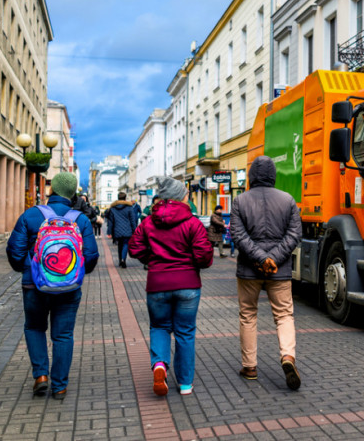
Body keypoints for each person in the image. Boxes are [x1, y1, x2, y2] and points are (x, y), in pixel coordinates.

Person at [6, 172, 98, 400]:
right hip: (68, 288)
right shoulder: (81, 219)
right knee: (63, 335)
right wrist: (72, 274)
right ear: (73, 193)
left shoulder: (31, 215)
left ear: (51, 190)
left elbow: (14, 252)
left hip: (34, 286)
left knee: (35, 328)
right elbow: (91, 256)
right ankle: (59, 386)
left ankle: (40, 376)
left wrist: (28, 271)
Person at [128, 178, 213, 396]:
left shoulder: (148, 221)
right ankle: (185, 384)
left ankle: (159, 366)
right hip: (188, 285)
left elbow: (134, 249)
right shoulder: (192, 223)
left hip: (157, 284)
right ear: (180, 196)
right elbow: (203, 256)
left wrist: (153, 259)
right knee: (185, 332)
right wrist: (191, 262)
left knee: (159, 327)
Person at [230, 156, 302, 390]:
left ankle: (249, 366)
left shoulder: (240, 201)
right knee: (284, 315)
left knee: (248, 315)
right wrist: (274, 259)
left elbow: (239, 237)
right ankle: (288, 356)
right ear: (273, 176)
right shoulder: (288, 200)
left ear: (251, 177)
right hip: (279, 271)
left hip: (249, 271)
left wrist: (260, 259)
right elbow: (294, 235)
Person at [105, 192, 138, 268]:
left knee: (120, 244)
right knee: (126, 244)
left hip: (117, 230)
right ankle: (123, 259)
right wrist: (134, 230)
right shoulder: (129, 208)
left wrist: (109, 232)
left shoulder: (113, 208)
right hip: (127, 229)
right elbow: (132, 220)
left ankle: (120, 260)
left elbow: (111, 221)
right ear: (125, 198)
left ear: (118, 198)